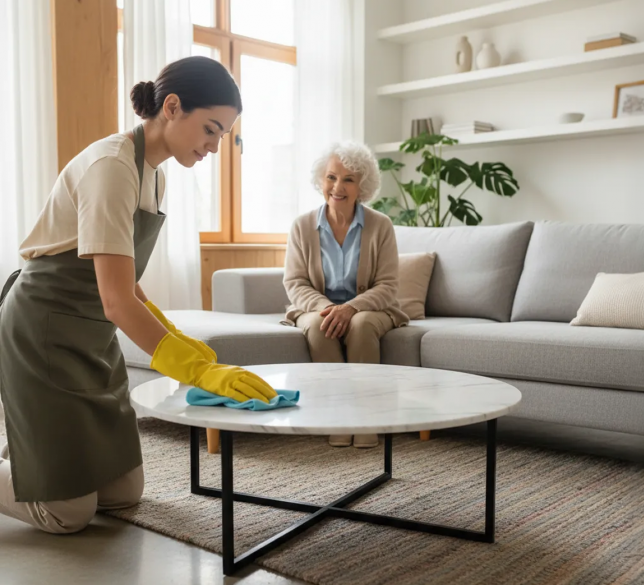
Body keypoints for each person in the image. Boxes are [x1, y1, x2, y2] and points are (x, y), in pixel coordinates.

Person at [0, 56, 276, 534]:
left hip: (90, 336)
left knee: (123, 494)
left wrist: (179, 339)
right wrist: (198, 370)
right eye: (211, 130)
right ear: (172, 107)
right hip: (43, 331)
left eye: (223, 136)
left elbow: (127, 282)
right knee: (67, 513)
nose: (214, 147)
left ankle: (32, 452)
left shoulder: (154, 173)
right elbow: (116, 300)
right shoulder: (112, 167)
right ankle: (29, 456)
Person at [284, 142, 408, 449]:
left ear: (362, 186)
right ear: (321, 180)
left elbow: (388, 285)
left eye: (348, 179)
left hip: (370, 310)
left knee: (361, 324)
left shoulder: (381, 226)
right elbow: (295, 282)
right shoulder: (302, 226)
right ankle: (337, 417)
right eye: (331, 177)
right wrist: (328, 307)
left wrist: (350, 308)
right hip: (319, 308)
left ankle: (366, 419)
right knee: (317, 325)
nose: (337, 187)